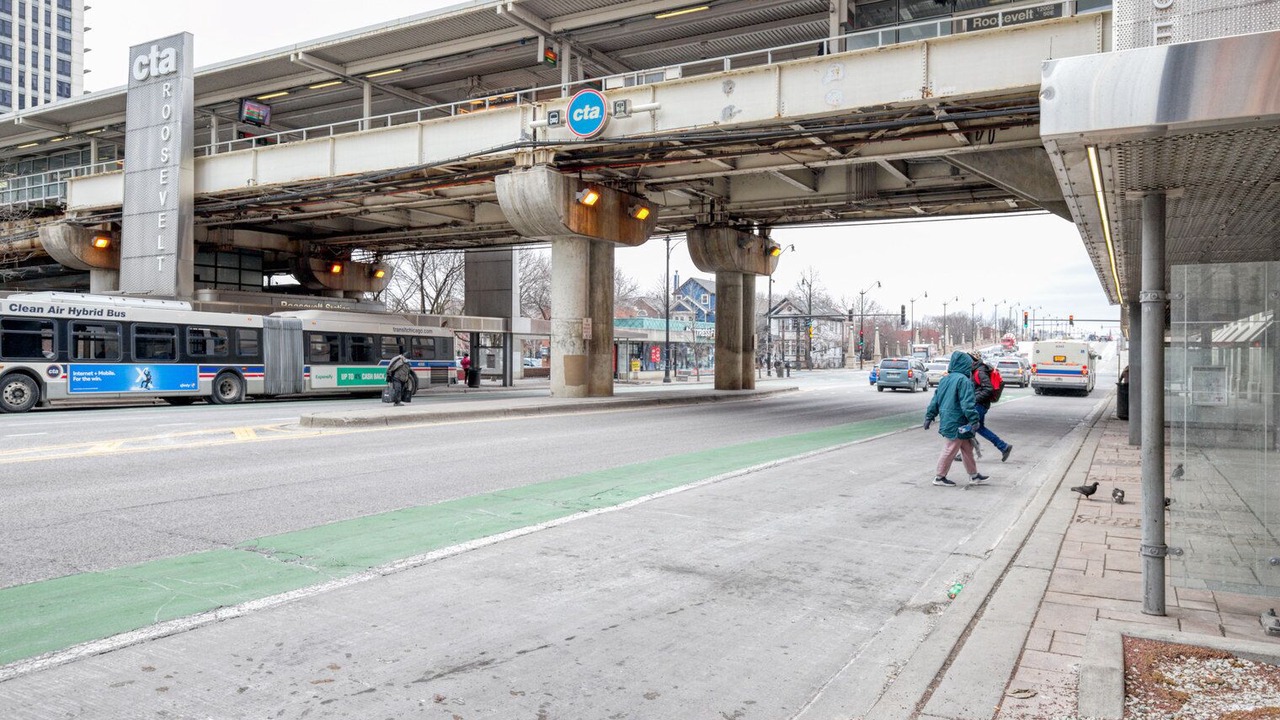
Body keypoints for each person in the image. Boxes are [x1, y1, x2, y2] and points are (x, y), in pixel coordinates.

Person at [923, 350, 989, 487]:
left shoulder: (945, 379)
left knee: (967, 448)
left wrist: (929, 416)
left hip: (949, 419)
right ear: (965, 365)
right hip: (958, 420)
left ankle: (974, 475)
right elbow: (967, 403)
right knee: (951, 448)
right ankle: (940, 477)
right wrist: (974, 420)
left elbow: (935, 400)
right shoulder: (964, 381)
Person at [969, 351, 1013, 463]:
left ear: (973, 360)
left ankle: (967, 452)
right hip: (981, 404)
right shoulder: (977, 370)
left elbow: (987, 389)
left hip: (979, 404)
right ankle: (1003, 447)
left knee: (968, 427)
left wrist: (974, 398)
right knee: (979, 427)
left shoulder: (979, 372)